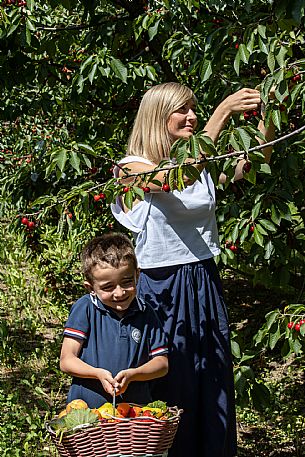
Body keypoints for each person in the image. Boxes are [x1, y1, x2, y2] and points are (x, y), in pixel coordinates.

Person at [111, 82, 275, 457]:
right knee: (172, 376)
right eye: (182, 110)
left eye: (195, 110)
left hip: (202, 278)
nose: (193, 117)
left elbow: (254, 162)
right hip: (162, 284)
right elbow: (172, 179)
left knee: (211, 375)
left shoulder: (198, 165)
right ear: (158, 116)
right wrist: (222, 113)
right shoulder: (132, 166)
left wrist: (268, 110)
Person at [60, 232, 168, 408]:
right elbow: (66, 360)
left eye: (126, 282)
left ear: (137, 275)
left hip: (135, 412)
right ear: (90, 287)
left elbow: (162, 364)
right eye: (108, 287)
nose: (119, 293)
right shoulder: (86, 308)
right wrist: (97, 374)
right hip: (88, 411)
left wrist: (134, 374)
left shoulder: (146, 312)